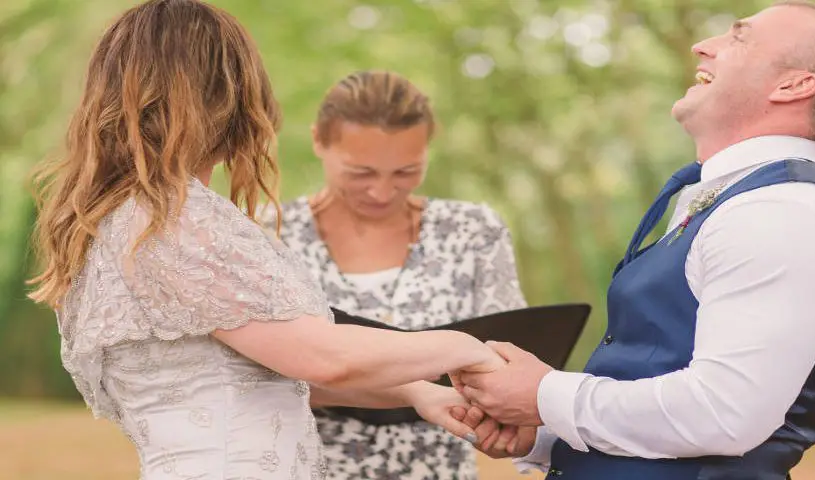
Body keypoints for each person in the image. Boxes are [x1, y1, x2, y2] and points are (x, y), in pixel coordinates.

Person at [25, 1, 503, 478]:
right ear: (225, 93)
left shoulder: (118, 219)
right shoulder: (176, 218)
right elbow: (321, 356)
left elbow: (255, 368)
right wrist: (465, 346)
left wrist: (417, 391)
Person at [454, 1, 815, 478]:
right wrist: (546, 432)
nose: (703, 45)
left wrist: (544, 395)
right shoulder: (730, 198)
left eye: (738, 38)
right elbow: (661, 380)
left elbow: (723, 415)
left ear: (794, 85)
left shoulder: (782, 214)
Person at [259, 70, 528, 479]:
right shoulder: (268, 236)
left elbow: (511, 354)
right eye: (361, 172)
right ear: (318, 140)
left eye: (405, 171)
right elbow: (255, 371)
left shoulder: (473, 230)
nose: (382, 192)